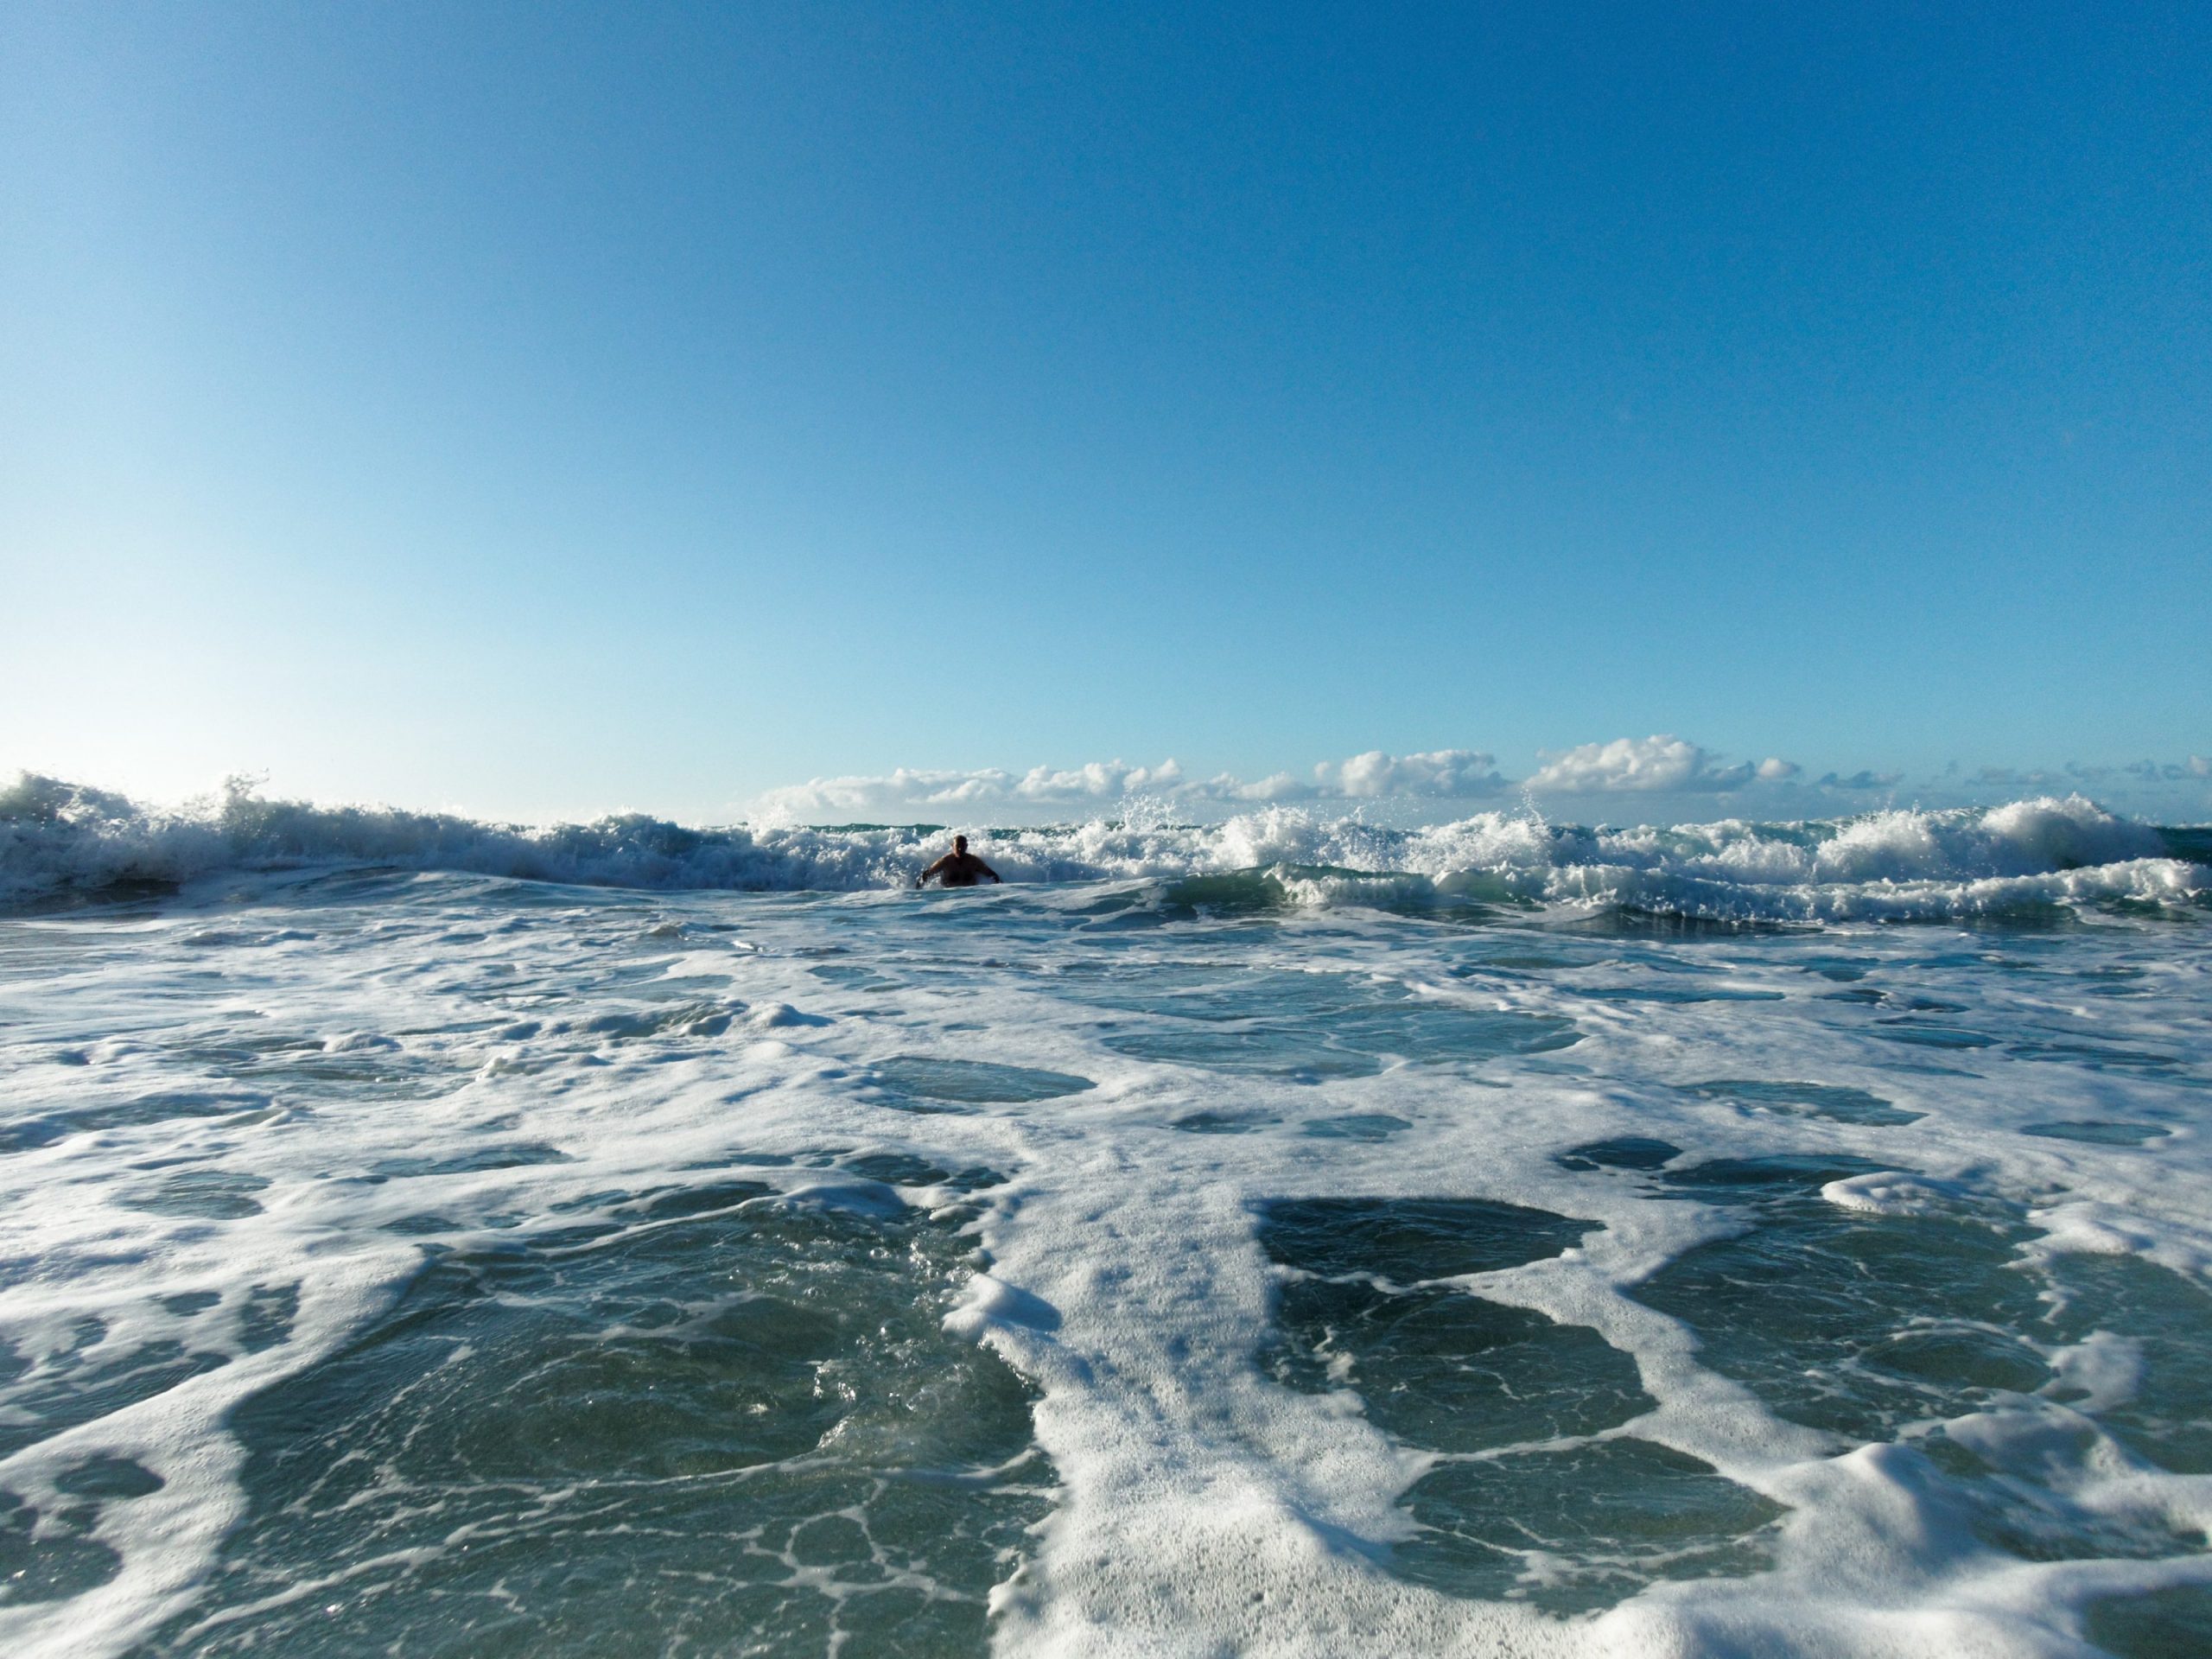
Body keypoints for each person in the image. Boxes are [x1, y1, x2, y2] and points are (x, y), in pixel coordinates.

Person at [916, 834, 1002, 888]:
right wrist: (918, 894)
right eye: (957, 846)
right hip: (950, 899)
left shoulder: (973, 862)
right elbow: (926, 875)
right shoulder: (945, 861)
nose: (960, 849)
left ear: (966, 846)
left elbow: (993, 876)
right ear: (952, 846)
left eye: (963, 846)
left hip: (971, 898)